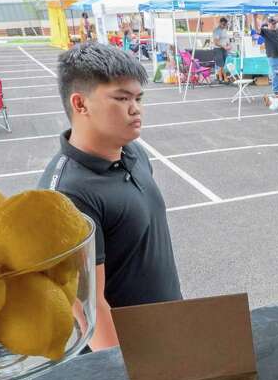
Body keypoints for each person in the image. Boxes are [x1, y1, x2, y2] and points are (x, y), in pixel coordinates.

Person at [39, 43, 182, 352]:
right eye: (121, 98)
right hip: (131, 350)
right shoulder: (67, 195)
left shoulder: (133, 151)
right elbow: (88, 306)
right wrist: (123, 377)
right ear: (80, 104)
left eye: (138, 98)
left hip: (170, 326)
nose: (136, 108)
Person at [258, 15, 278, 94]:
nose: (273, 25)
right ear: (268, 24)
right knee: (275, 75)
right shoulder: (266, 31)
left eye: (274, 23)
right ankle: (276, 90)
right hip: (272, 57)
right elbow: (257, 30)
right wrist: (255, 18)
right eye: (272, 23)